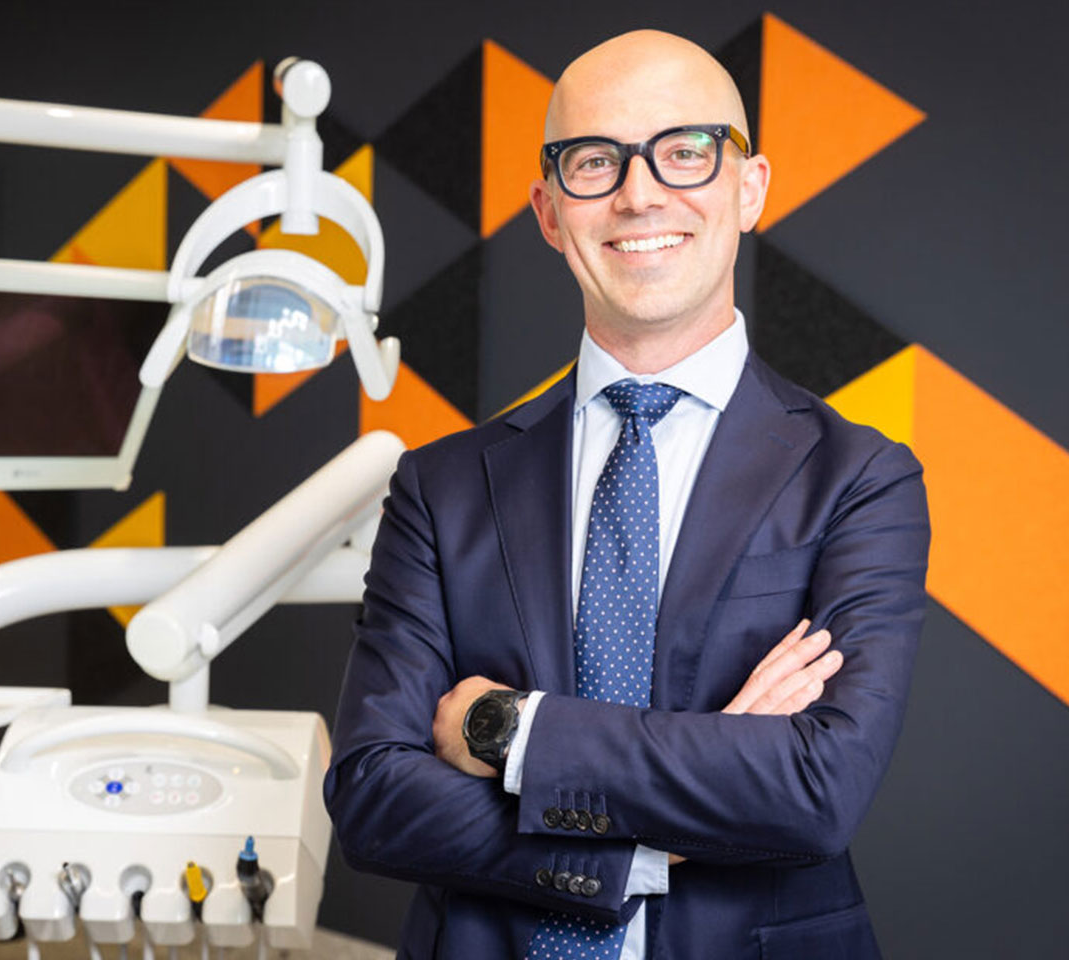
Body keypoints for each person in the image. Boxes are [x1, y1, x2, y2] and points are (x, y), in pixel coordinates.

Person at [324, 29, 930, 960]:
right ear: (550, 210)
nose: (639, 193)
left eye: (685, 151)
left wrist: (508, 731)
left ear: (751, 186)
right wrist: (646, 846)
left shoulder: (859, 480)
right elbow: (372, 794)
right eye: (595, 161)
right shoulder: (441, 486)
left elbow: (817, 789)